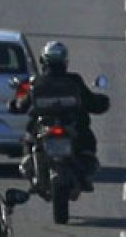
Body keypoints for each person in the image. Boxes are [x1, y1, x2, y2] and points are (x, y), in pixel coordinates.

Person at [8, 41, 108, 190]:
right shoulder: (72, 80)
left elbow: (22, 105)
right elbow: (91, 102)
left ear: (43, 61)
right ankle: (37, 169)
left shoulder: (37, 82)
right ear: (64, 61)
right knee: (30, 139)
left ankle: (78, 173)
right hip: (54, 130)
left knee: (84, 139)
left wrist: (15, 105)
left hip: (63, 129)